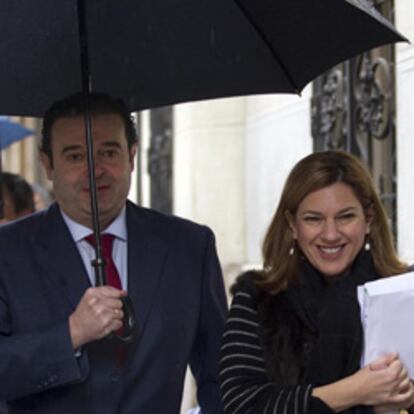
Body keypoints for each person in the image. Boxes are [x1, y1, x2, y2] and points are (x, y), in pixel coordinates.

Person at [0, 92, 227, 413]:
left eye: (109, 152)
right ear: (48, 164)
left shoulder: (189, 246)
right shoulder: (7, 253)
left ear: (132, 156)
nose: (95, 170)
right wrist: (71, 334)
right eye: (75, 156)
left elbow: (221, 375)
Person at [220, 150, 414, 414]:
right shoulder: (258, 299)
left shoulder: (402, 294)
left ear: (368, 220)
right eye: (314, 219)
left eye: (346, 217)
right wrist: (358, 391)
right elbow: (241, 405)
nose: (331, 234)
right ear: (292, 225)